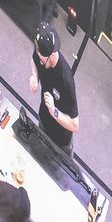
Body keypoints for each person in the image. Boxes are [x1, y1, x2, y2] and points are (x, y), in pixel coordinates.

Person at [28, 24, 80, 157]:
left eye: (42, 60)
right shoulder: (41, 55)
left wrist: (54, 111)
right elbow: (34, 59)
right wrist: (35, 76)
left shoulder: (66, 81)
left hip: (61, 141)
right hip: (43, 123)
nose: (40, 62)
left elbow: (75, 125)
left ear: (51, 55)